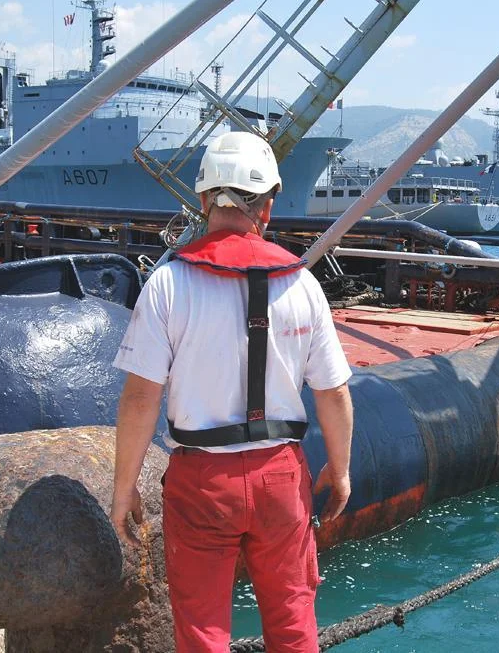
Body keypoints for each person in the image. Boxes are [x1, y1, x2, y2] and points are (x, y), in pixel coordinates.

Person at [110, 131, 354, 652]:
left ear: (202, 201)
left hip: (202, 479)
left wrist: (123, 486)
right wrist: (341, 467)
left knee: (202, 630)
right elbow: (332, 392)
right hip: (281, 477)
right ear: (267, 206)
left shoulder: (169, 283)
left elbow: (140, 399)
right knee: (292, 621)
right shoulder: (302, 284)